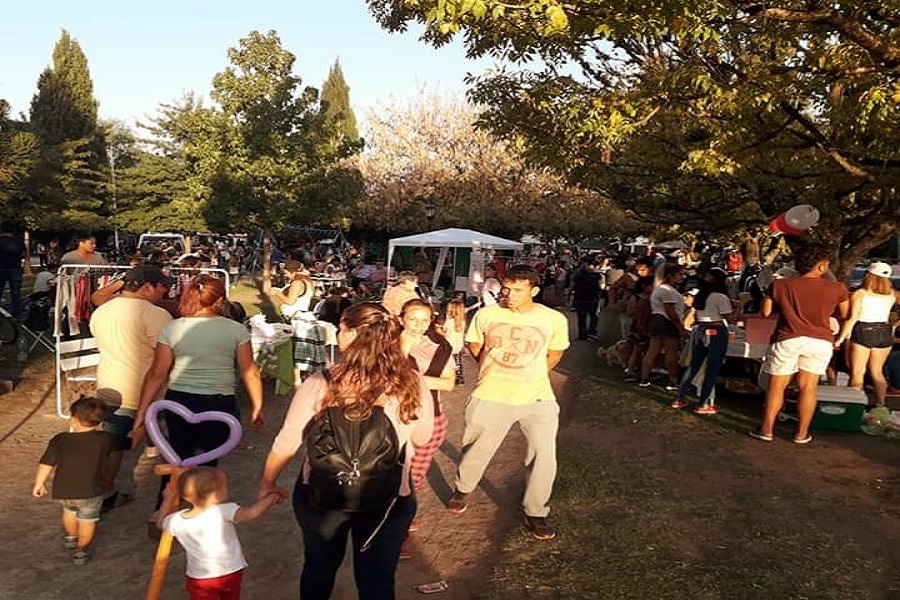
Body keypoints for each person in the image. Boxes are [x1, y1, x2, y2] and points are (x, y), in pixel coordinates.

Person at [258, 302, 434, 599]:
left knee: (319, 568)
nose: (338, 335)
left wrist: (268, 482)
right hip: (389, 495)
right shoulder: (411, 382)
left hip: (323, 494)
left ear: (352, 334)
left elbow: (287, 442)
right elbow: (422, 436)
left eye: (341, 329)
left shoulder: (321, 382)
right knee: (377, 579)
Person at [447, 264, 570, 541]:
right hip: (490, 393)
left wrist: (532, 373)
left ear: (533, 291)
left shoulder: (553, 319)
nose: (509, 295)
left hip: (537, 397)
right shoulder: (487, 315)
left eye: (517, 290)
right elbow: (475, 345)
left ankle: (536, 511)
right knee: (476, 448)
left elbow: (555, 353)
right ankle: (463, 488)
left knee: (543, 455)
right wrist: (493, 369)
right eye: (506, 288)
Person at [133, 275, 265, 513]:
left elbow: (157, 373)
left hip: (179, 399)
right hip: (219, 402)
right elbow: (250, 372)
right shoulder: (236, 330)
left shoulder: (173, 328)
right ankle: (200, 509)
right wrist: (257, 406)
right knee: (208, 459)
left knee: (177, 455)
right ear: (220, 300)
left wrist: (142, 411)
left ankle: (165, 508)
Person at [89, 265, 174, 511]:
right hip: (145, 392)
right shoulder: (155, 315)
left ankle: (104, 493)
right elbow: (168, 357)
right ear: (147, 287)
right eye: (162, 286)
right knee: (168, 441)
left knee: (112, 444)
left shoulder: (102, 310)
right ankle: (173, 492)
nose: (165, 291)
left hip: (109, 386)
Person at [750, 247, 849, 444]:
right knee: (808, 388)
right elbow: (845, 314)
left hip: (787, 338)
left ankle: (767, 430)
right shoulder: (837, 288)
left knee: (776, 387)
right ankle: (801, 433)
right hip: (820, 341)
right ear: (821, 266)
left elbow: (766, 312)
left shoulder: (780, 285)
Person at [158, 467, 281, 600]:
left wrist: (168, 499)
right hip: (231, 571)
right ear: (215, 494)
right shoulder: (223, 511)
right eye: (224, 486)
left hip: (200, 578)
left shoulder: (176, 520)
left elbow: (160, 523)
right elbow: (252, 513)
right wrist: (271, 498)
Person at [32, 397, 118, 565]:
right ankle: (81, 550)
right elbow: (128, 443)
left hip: (64, 489)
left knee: (68, 512)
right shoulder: (107, 439)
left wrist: (39, 483)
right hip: (91, 490)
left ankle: (71, 537)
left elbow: (47, 462)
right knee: (87, 521)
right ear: (100, 421)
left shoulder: (61, 439)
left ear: (74, 419)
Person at [399, 299, 455, 542]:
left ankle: (404, 520)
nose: (418, 325)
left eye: (424, 320)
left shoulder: (439, 347)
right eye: (412, 319)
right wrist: (402, 348)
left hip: (430, 417)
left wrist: (411, 378)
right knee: (390, 473)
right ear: (401, 319)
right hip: (395, 419)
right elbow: (384, 376)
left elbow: (448, 383)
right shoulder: (386, 343)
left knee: (415, 475)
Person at [672, 267, 737, 413]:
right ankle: (703, 404)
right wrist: (742, 305)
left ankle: (679, 398)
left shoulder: (702, 294)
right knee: (712, 369)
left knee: (694, 366)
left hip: (700, 329)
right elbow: (731, 318)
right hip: (716, 331)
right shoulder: (720, 297)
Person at [835, 262, 899, 407]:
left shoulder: (860, 294)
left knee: (857, 373)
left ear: (868, 275)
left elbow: (852, 319)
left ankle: (854, 405)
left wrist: (840, 339)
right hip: (884, 332)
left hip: (864, 330)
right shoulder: (892, 294)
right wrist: (895, 324)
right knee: (877, 372)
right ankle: (881, 405)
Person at [639, 264, 687, 390]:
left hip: (657, 320)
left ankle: (644, 378)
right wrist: (679, 326)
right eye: (680, 274)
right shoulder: (667, 291)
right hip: (667, 322)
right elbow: (670, 311)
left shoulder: (659, 289)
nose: (682, 277)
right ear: (670, 275)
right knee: (671, 352)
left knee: (652, 351)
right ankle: (673, 380)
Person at [571, 255, 602, 340]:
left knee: (582, 318)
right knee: (594, 316)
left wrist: (569, 295)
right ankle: (591, 332)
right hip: (592, 298)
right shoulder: (596, 275)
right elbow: (600, 286)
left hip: (581, 297)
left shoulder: (577, 274)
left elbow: (572, 285)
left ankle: (582, 334)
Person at [0, 222, 24, 317]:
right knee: (16, 293)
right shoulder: (18, 241)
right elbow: (23, 253)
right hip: (15, 268)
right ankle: (16, 312)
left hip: (1, 268)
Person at [442, 298, 467, 384]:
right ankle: (459, 377)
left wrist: (438, 329)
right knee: (458, 362)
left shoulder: (449, 322)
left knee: (449, 362)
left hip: (449, 345)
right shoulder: (462, 322)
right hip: (458, 345)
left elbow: (445, 332)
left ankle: (449, 377)